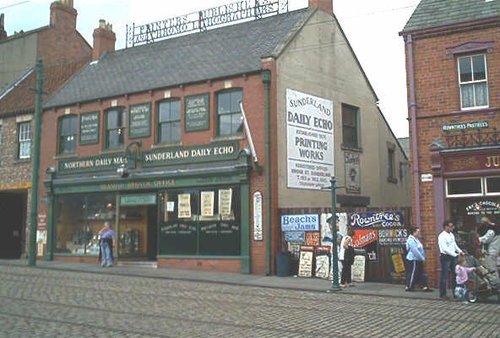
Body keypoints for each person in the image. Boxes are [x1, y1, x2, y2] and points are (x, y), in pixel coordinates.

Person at [438, 220, 464, 300]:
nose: (452, 228)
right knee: (444, 276)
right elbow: (445, 249)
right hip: (445, 257)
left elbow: (454, 245)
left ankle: (455, 293)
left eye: (452, 226)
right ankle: (443, 294)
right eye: (450, 226)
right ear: (445, 226)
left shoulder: (451, 235)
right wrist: (455, 254)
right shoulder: (442, 236)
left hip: (453, 256)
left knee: (455, 275)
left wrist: (460, 251)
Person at [405, 226, 431, 292]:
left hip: (418, 259)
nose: (419, 233)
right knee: (413, 273)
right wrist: (422, 258)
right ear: (413, 232)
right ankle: (409, 286)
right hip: (413, 259)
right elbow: (415, 251)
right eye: (417, 231)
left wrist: (422, 258)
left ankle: (424, 286)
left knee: (421, 273)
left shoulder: (416, 239)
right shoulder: (411, 240)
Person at [478, 216, 499, 284]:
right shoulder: (496, 228)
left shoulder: (492, 230)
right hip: (495, 251)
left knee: (492, 269)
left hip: (491, 252)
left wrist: (478, 238)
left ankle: (496, 285)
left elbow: (485, 239)